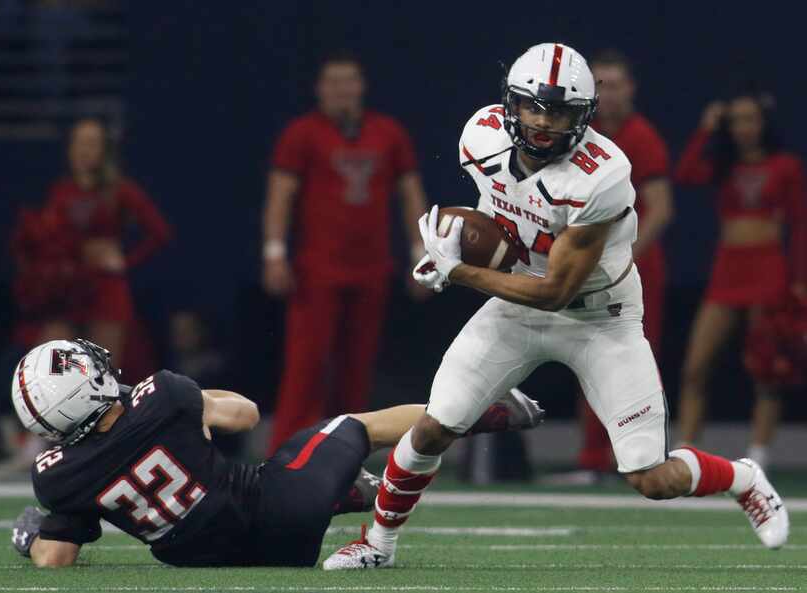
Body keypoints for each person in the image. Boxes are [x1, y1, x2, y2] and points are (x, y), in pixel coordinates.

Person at [323, 43, 789, 570]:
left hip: (598, 317)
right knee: (435, 425)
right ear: (510, 104)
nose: (544, 122)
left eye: (561, 111)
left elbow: (556, 293)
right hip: (515, 302)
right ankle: (379, 545)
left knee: (650, 478)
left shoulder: (602, 174)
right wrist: (454, 250)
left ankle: (743, 477)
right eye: (533, 107)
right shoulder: (482, 135)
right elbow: (497, 212)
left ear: (584, 116)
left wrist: (462, 271)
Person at [9, 338, 543, 568]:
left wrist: (33, 534)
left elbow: (57, 559)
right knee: (356, 425)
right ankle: (491, 412)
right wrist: (195, 406)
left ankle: (353, 492)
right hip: (282, 510)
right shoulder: (162, 396)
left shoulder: (58, 478)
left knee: (293, 469)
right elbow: (245, 415)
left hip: (209, 560)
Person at [262, 51, 430, 455]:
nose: (342, 91)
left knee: (357, 369)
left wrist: (421, 252)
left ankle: (342, 454)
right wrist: (274, 252)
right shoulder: (301, 133)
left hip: (371, 268)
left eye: (349, 81)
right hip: (317, 269)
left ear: (361, 86)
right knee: (307, 366)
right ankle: (286, 452)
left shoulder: (388, 133)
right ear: (320, 89)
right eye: (333, 82)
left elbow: (410, 195)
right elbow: (280, 195)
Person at [674, 91, 807, 468]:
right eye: (736, 121)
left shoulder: (786, 165)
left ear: (763, 122)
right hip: (728, 270)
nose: (744, 128)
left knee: (767, 368)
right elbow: (686, 173)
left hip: (769, 271)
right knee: (695, 366)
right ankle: (687, 454)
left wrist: (800, 282)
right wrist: (706, 127)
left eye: (750, 119)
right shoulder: (723, 165)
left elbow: (800, 226)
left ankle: (758, 457)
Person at [571, 49, 675, 476]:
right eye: (600, 85)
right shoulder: (581, 134)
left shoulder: (641, 135)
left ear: (631, 89)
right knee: (587, 357)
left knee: (636, 361)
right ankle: (593, 458)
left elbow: (661, 209)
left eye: (615, 84)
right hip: (591, 263)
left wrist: (622, 256)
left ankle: (643, 456)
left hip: (636, 267)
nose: (607, 93)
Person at [41, 118, 172, 366]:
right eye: (79, 143)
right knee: (58, 364)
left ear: (104, 150)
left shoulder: (119, 190)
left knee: (101, 370)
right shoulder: (61, 191)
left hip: (105, 287)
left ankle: (103, 405)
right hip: (67, 288)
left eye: (91, 143)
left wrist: (126, 260)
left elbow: (159, 232)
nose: (84, 150)